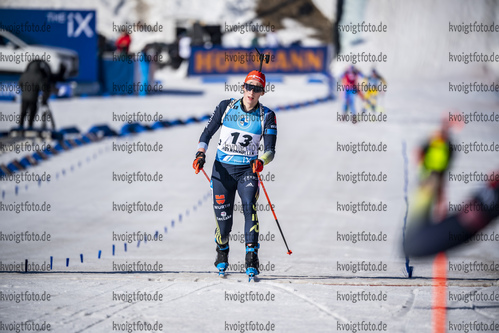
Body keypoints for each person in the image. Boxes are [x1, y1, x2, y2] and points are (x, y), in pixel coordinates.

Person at [193, 70, 277, 279]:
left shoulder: (267, 115)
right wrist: (200, 154)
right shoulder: (225, 107)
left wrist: (261, 161)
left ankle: (251, 256)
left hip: (247, 171)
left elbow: (270, 151)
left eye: (257, 89)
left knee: (249, 206)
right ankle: (222, 250)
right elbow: (206, 133)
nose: (251, 92)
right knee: (224, 220)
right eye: (249, 87)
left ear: (262, 92)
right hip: (222, 170)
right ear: (243, 87)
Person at [18, 60, 53, 130]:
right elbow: (42, 87)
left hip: (24, 97)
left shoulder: (25, 74)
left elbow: (20, 84)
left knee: (23, 113)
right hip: (33, 98)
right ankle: (30, 127)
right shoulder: (38, 76)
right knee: (32, 113)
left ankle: (20, 127)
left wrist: (25, 90)